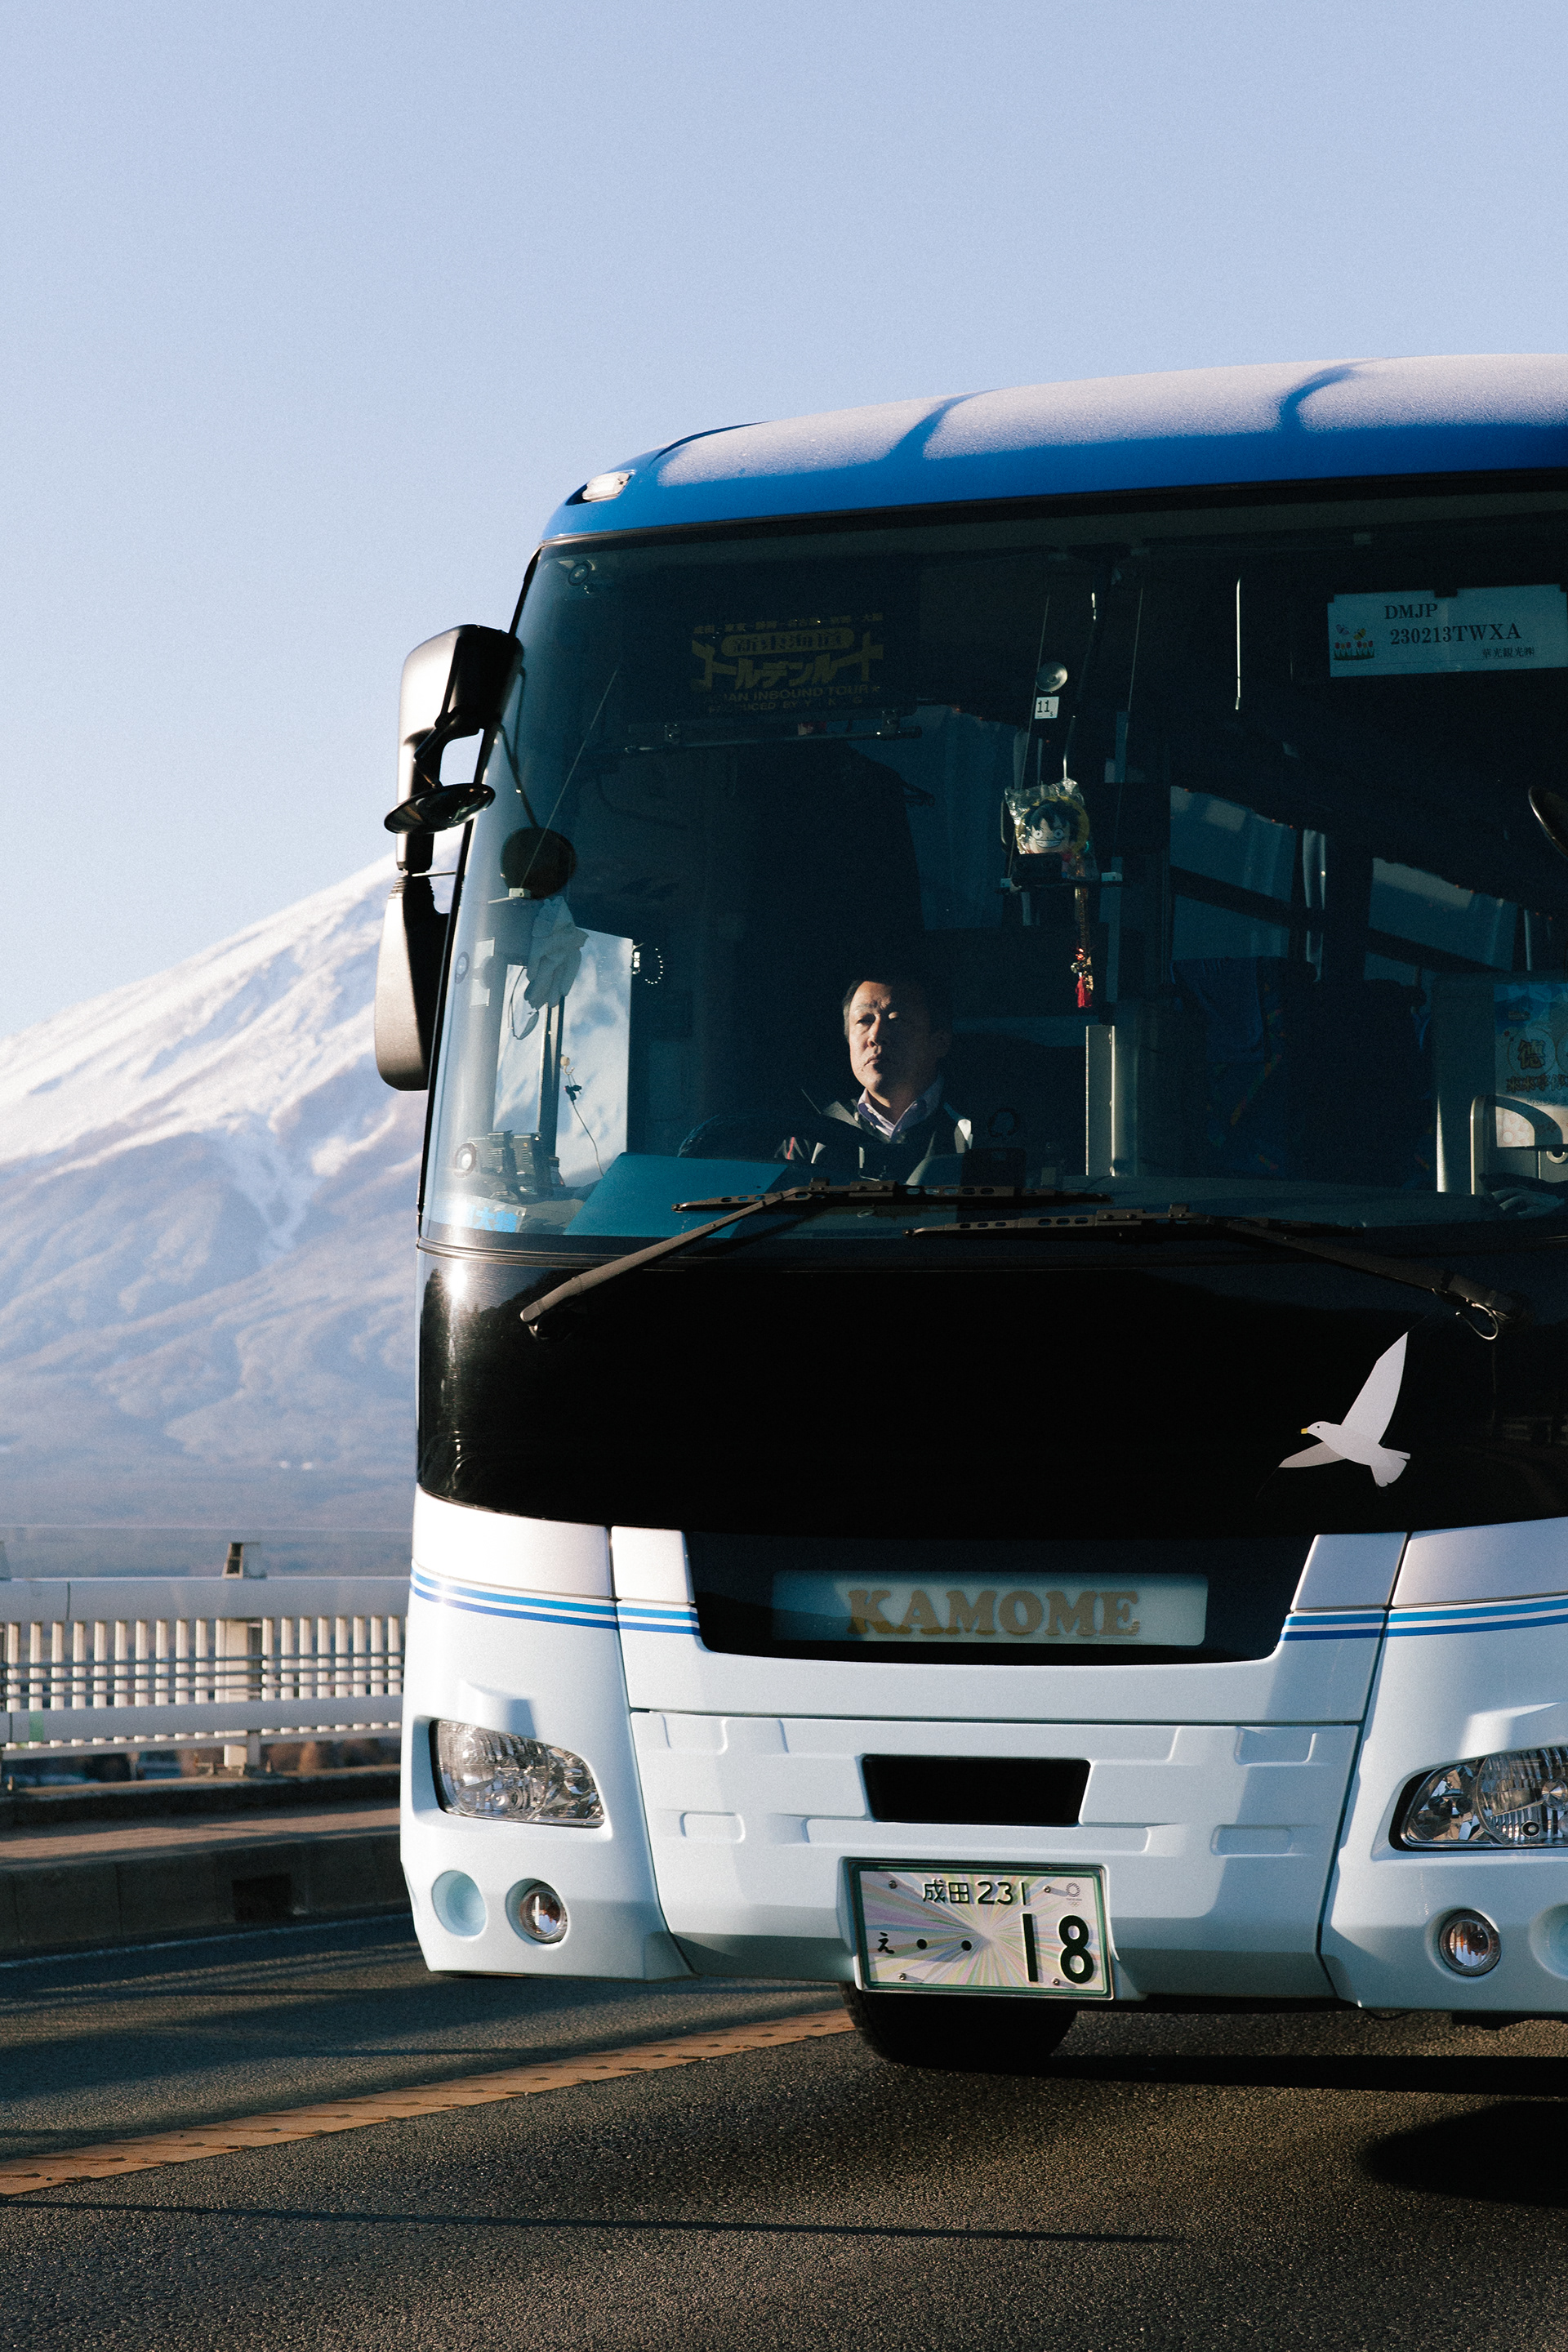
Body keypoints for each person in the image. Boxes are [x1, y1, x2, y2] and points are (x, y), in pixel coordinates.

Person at [779, 973, 972, 1182]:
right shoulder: (814, 1135)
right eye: (864, 1021)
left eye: (896, 1020)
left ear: (940, 1042)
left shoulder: (979, 1126)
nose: (876, 1036)